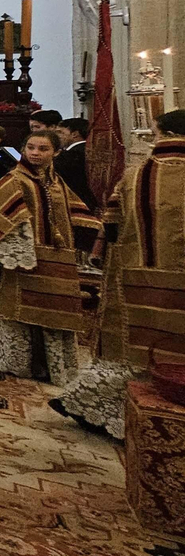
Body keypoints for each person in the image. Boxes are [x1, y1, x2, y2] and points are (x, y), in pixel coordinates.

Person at [54, 110, 185, 436]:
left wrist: (100, 258)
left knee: (130, 350)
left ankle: (100, 408)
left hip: (135, 275)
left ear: (166, 134)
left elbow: (111, 224)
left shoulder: (138, 174)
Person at [0, 130, 101, 384]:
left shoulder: (57, 182)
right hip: (21, 258)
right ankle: (16, 362)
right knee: (18, 310)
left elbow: (74, 211)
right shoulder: (14, 179)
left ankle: (50, 364)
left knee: (55, 312)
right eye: (31, 148)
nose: (35, 153)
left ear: (56, 153)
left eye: (43, 149)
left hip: (57, 256)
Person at [54, 117, 95, 209]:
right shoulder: (91, 150)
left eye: (60, 132)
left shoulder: (71, 154)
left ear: (74, 134)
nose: (57, 136)